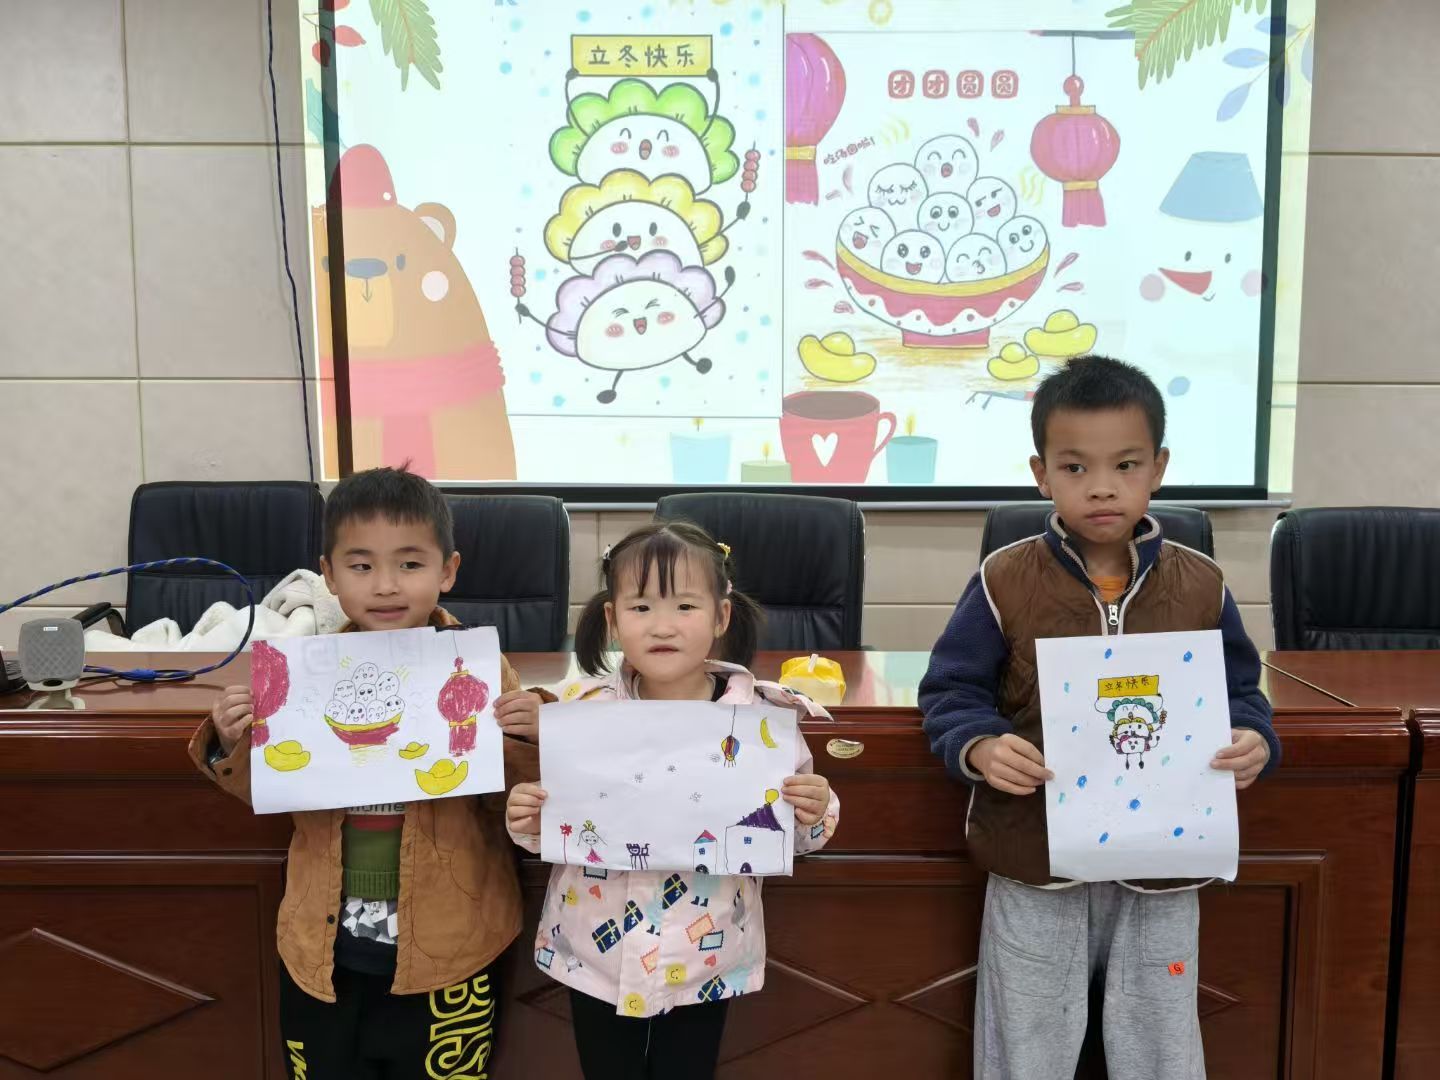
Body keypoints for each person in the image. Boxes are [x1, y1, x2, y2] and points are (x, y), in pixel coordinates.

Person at [919, 356, 1281, 1079]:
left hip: (1164, 860)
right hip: (1035, 852)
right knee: (1028, 1040)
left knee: (1160, 1041)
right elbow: (949, 692)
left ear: (1158, 468)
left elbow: (1241, 693)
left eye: (1125, 464)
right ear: (1041, 474)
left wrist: (1253, 738)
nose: (1102, 486)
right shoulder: (1002, 579)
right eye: (1075, 467)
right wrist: (980, 745)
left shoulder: (1202, 583)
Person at [189, 466, 548, 1079]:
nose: (385, 585)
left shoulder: (482, 670)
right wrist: (231, 738)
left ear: (447, 571)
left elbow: (517, 802)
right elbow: (266, 790)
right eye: (360, 566)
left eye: (410, 564)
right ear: (328, 575)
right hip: (322, 950)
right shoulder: (299, 675)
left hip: (450, 948)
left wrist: (535, 733)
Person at [505, 521, 840, 1080]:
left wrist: (815, 808)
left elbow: (797, 833)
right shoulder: (579, 713)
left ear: (721, 616)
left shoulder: (758, 720)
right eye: (640, 608)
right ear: (613, 619)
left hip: (704, 956)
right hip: (595, 952)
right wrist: (529, 820)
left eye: (685, 606)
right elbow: (555, 823)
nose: (662, 626)